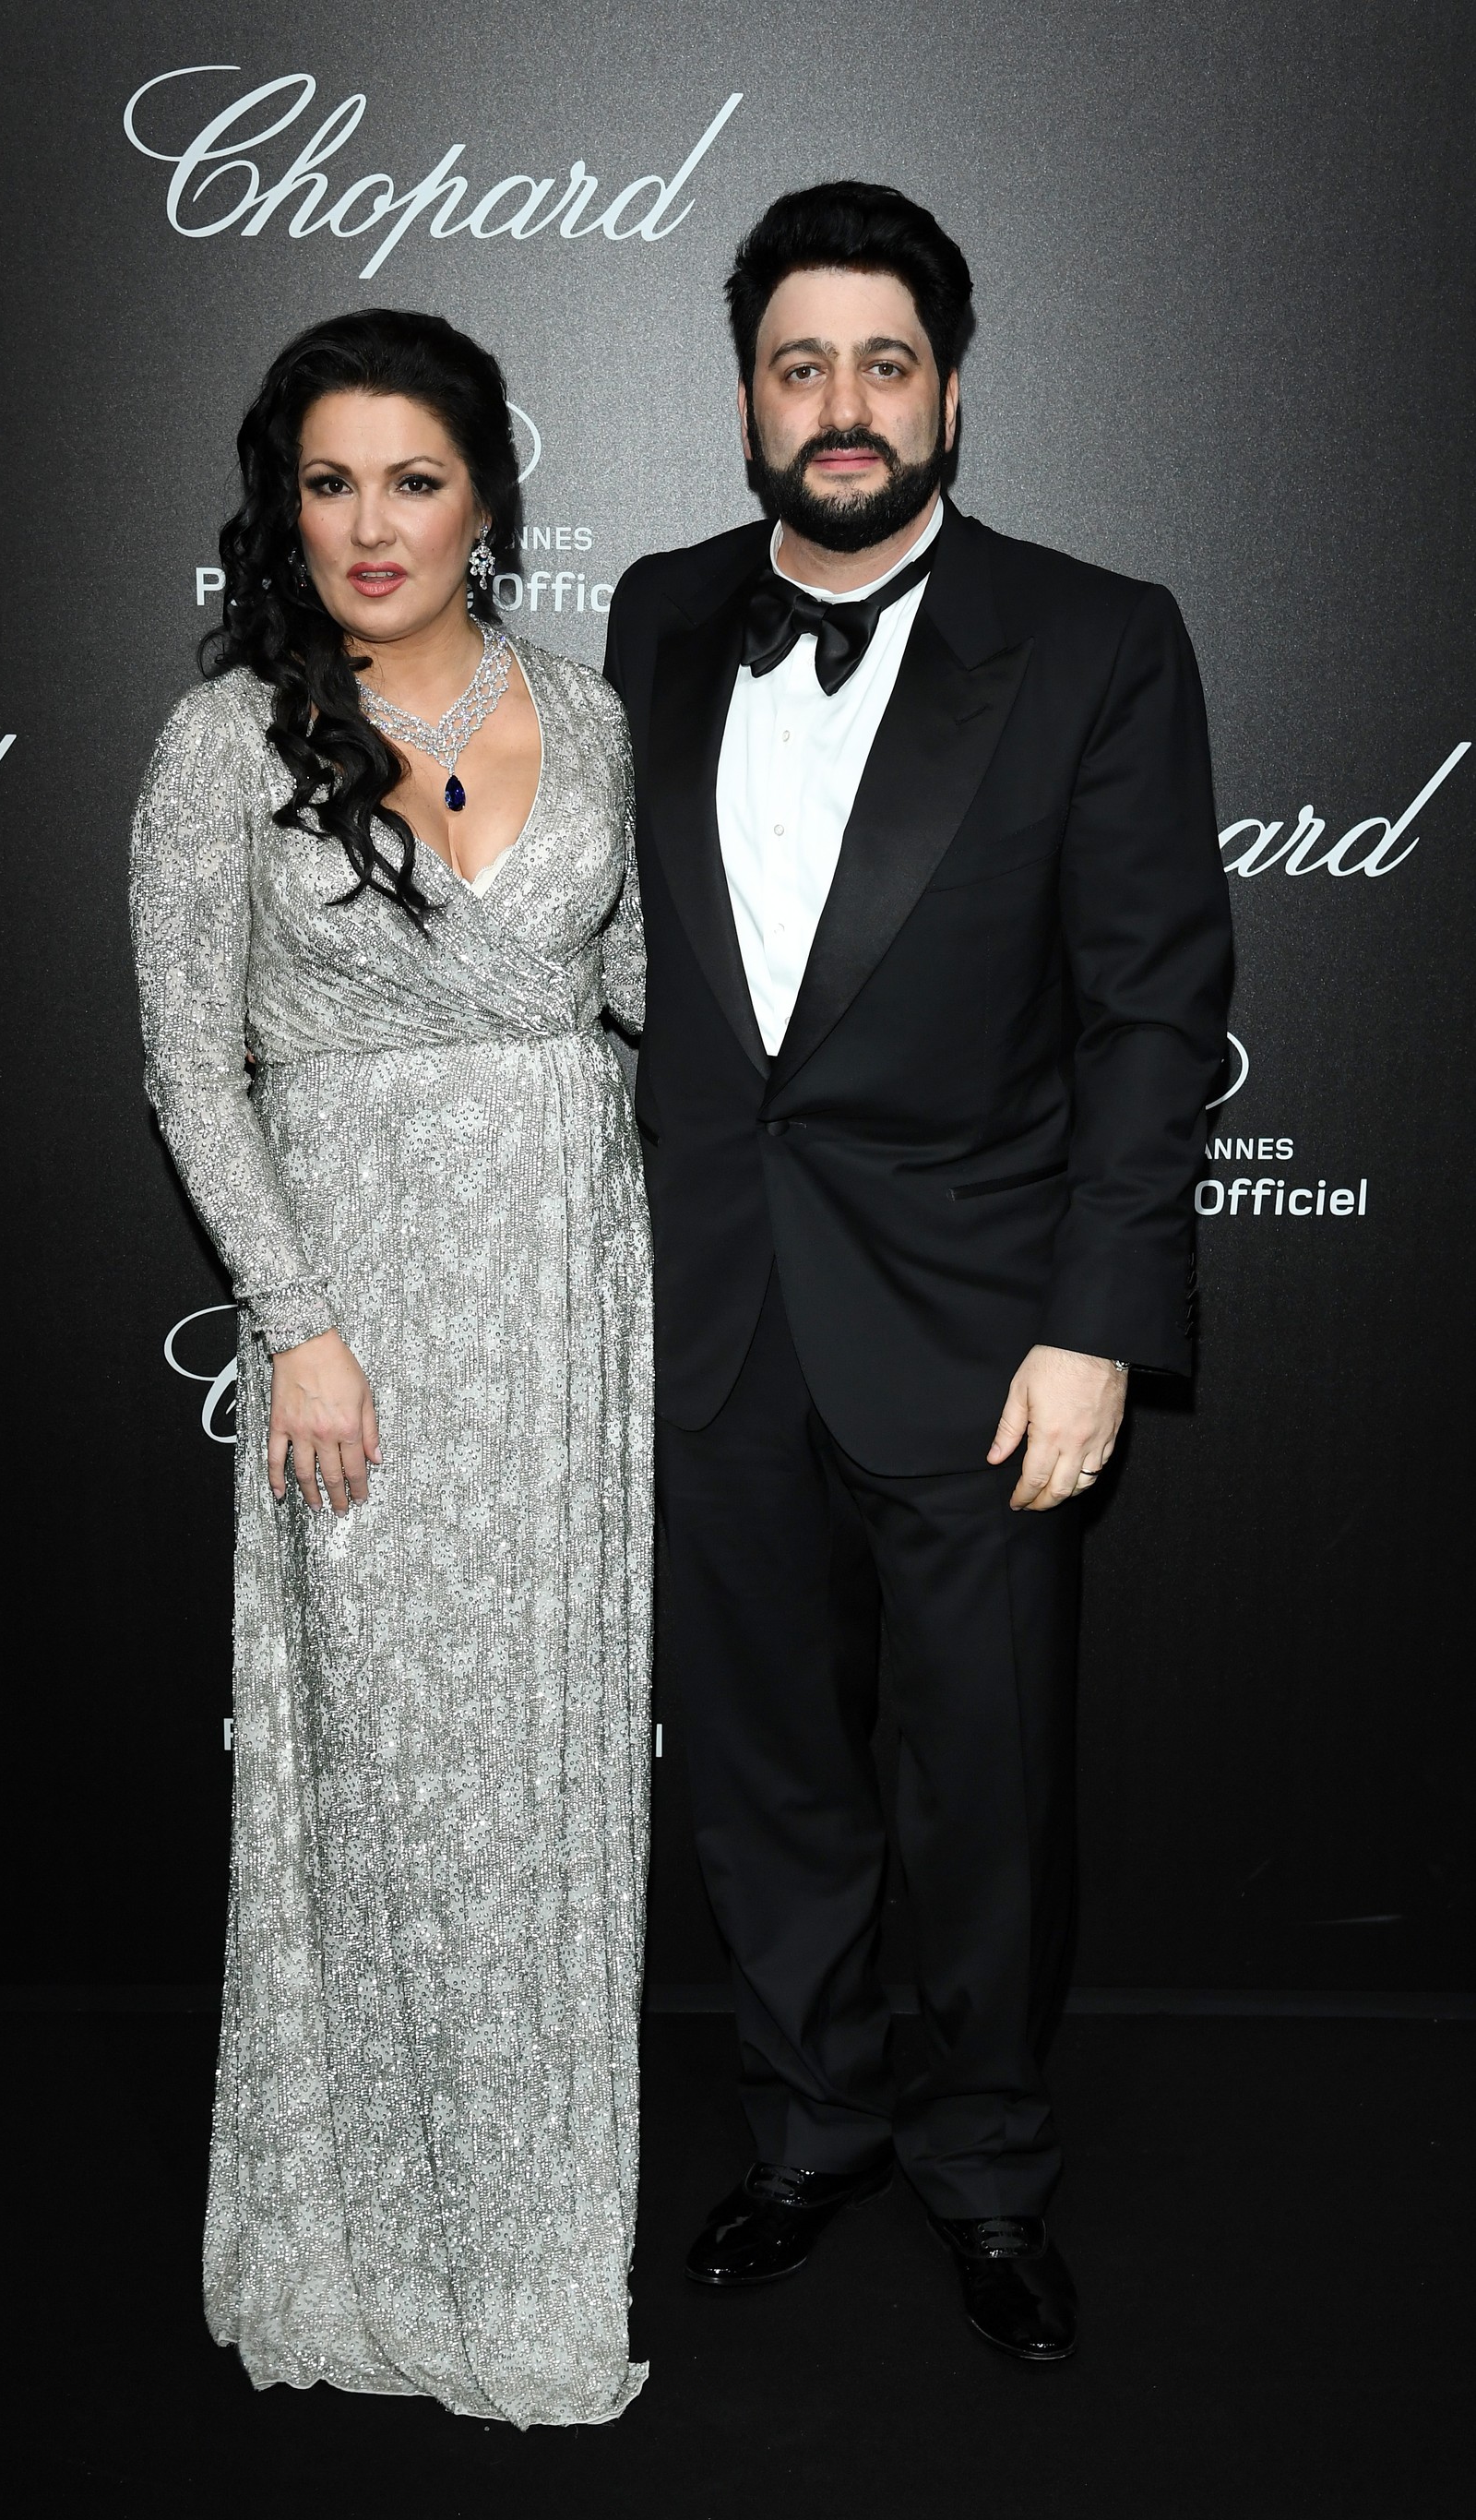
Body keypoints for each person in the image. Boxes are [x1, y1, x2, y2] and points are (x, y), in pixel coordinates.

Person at [604, 183, 1232, 2361]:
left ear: (950, 390)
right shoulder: (653, 618)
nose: (840, 404)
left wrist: (1094, 1325)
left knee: (980, 1787)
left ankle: (983, 2169)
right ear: (746, 399)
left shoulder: (1093, 637)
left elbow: (1151, 1010)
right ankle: (807, 2129)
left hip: (977, 1329)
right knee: (763, 1767)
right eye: (798, 365)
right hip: (708, 1309)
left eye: (883, 361)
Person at [129, 310, 653, 2426]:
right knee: (386, 1789)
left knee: (549, 1783)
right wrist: (299, 1328)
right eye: (328, 483)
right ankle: (367, 2240)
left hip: (567, 1306)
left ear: (485, 501)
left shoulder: (587, 714)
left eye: (412, 480)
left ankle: (533, 2246)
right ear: (283, 508)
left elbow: (643, 994)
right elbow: (190, 1066)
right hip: (357, 1327)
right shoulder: (224, 744)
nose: (370, 525)